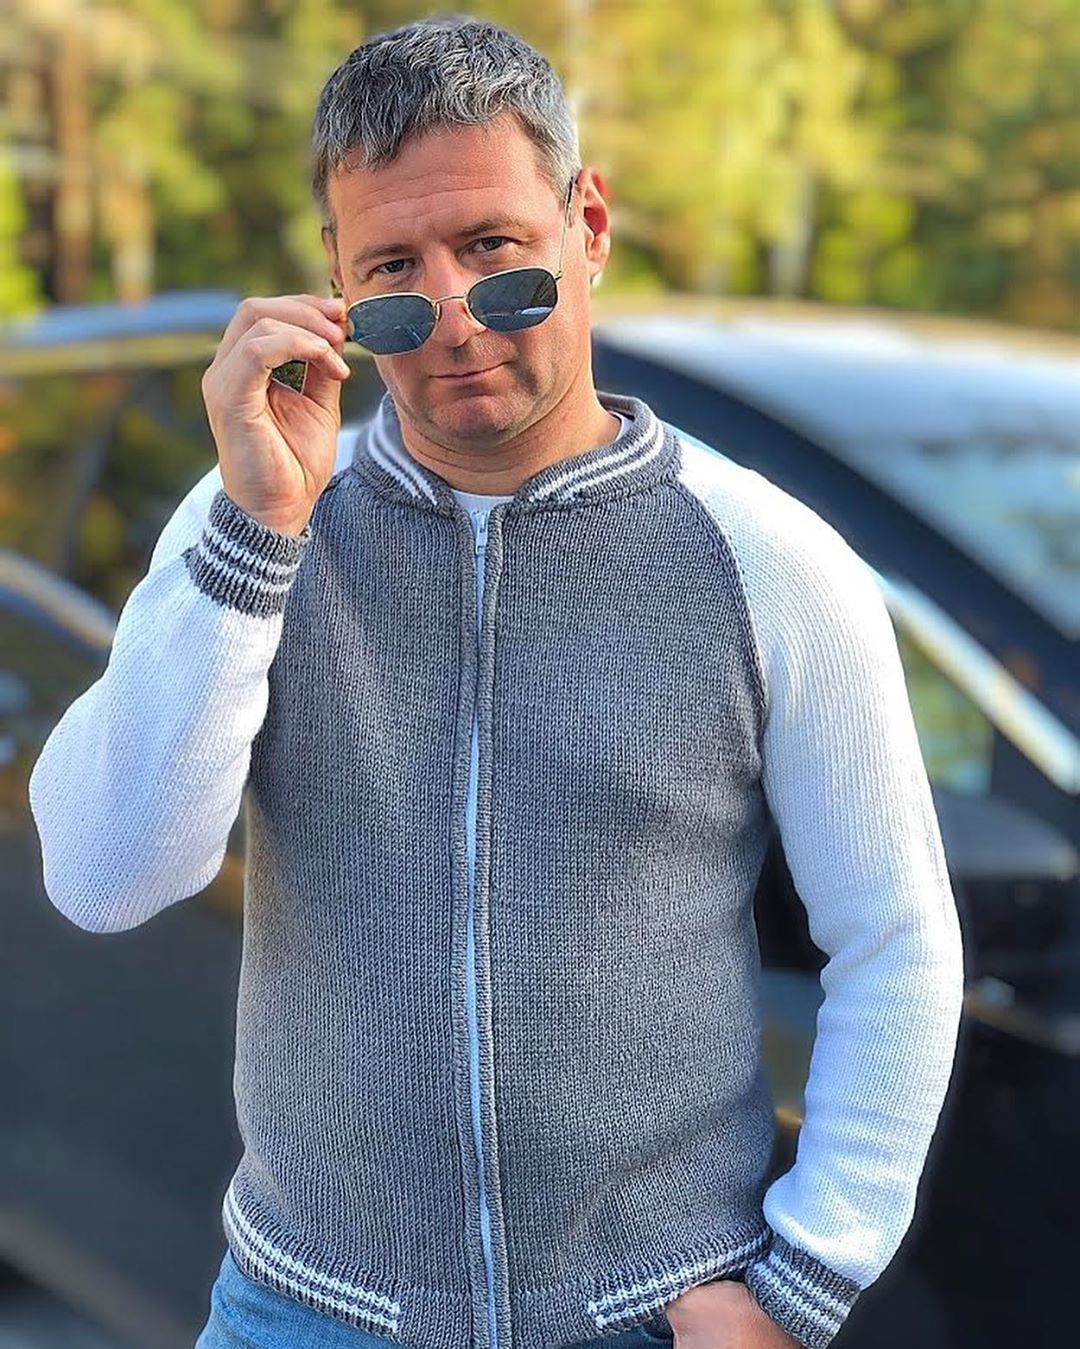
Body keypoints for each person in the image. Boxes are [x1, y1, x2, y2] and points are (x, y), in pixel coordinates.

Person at [26, 13, 965, 1349]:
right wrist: (258, 535)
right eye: (395, 277)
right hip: (308, 1312)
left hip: (648, 1317)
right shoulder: (253, 517)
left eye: (496, 255)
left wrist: (804, 1282)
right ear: (338, 289)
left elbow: (898, 938)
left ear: (588, 226)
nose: (456, 321)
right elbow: (105, 876)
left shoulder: (766, 559)